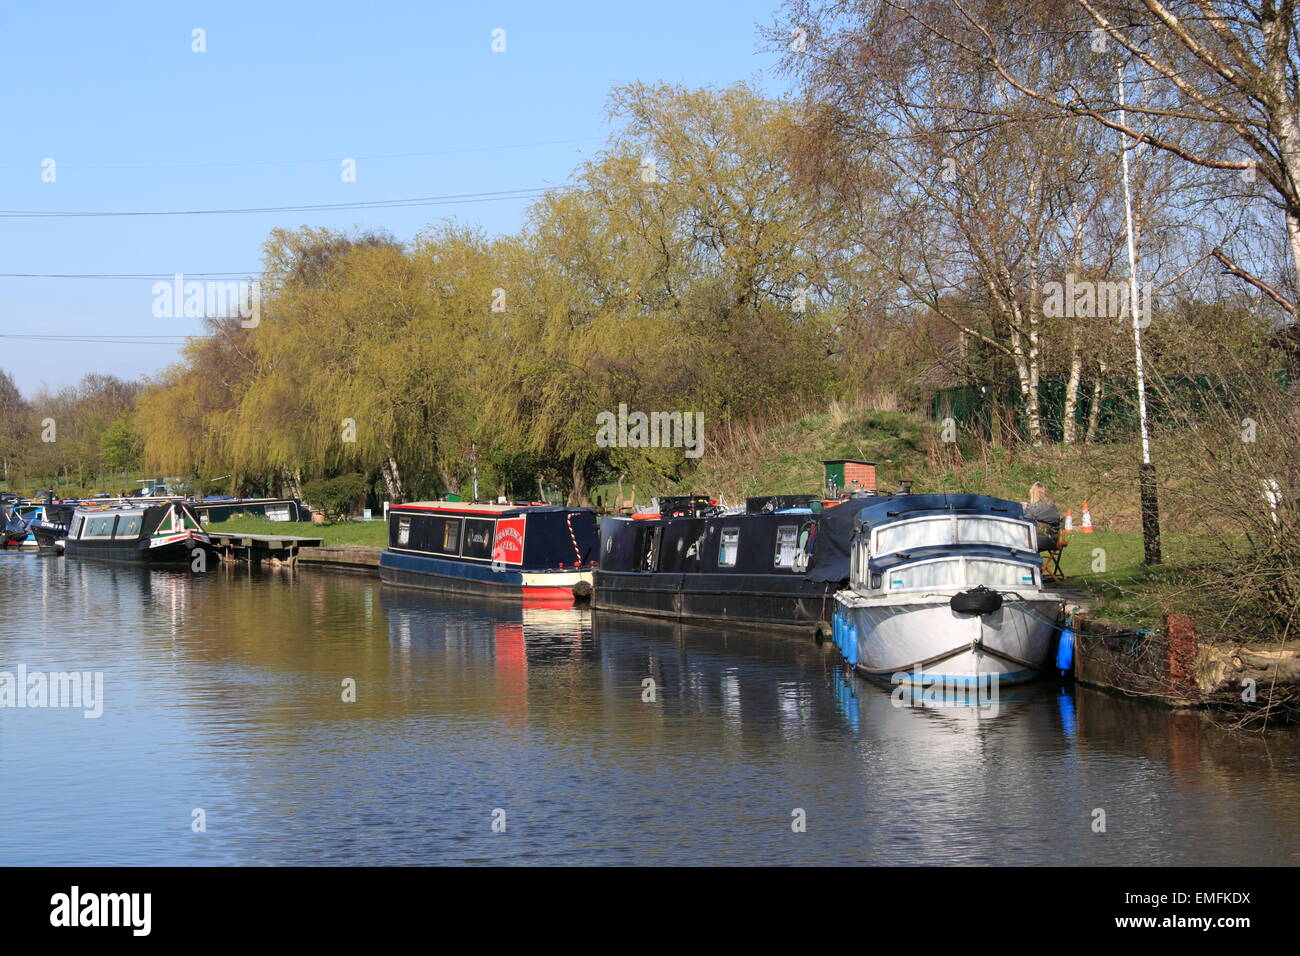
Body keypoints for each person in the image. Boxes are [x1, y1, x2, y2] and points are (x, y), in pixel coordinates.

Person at [1022, 482, 1062, 552]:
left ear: (1034, 494)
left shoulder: (1035, 508)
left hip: (1035, 542)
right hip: (1052, 541)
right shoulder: (1053, 507)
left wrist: (1024, 509)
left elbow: (1022, 516)